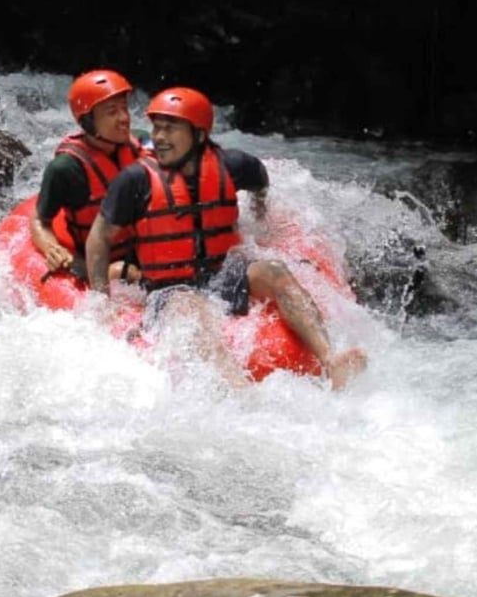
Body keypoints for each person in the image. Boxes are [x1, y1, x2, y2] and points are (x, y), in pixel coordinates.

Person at [85, 86, 367, 389]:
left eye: (170, 128)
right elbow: (98, 239)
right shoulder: (135, 180)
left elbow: (260, 182)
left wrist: (260, 217)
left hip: (223, 274)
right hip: (168, 288)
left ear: (199, 135)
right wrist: (102, 300)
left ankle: (330, 359)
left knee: (274, 271)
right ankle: (238, 387)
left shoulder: (233, 165)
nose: (160, 137)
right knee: (189, 304)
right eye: (157, 128)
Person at [30, 68, 146, 281]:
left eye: (124, 108)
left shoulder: (143, 144)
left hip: (143, 251)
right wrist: (51, 248)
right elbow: (39, 220)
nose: (124, 118)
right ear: (88, 122)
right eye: (112, 112)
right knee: (121, 272)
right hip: (96, 262)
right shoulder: (65, 168)